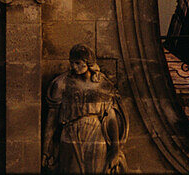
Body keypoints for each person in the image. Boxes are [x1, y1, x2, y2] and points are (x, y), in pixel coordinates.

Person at [44, 44, 128, 174]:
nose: (73, 67)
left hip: (96, 135)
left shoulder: (102, 85)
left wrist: (115, 149)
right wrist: (46, 148)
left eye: (78, 63)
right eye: (71, 63)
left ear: (88, 63)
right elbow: (52, 118)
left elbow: (110, 118)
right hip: (70, 134)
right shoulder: (61, 83)